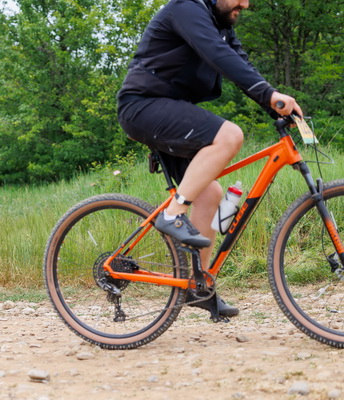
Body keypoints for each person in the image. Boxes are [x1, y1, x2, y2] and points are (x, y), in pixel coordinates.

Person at [117, 0, 303, 316]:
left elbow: (239, 62)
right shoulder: (185, 8)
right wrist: (269, 95)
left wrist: (273, 103)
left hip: (169, 107)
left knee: (210, 195)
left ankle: (199, 287)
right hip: (143, 105)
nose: (246, 4)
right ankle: (173, 214)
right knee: (230, 136)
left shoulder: (221, 24)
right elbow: (217, 55)